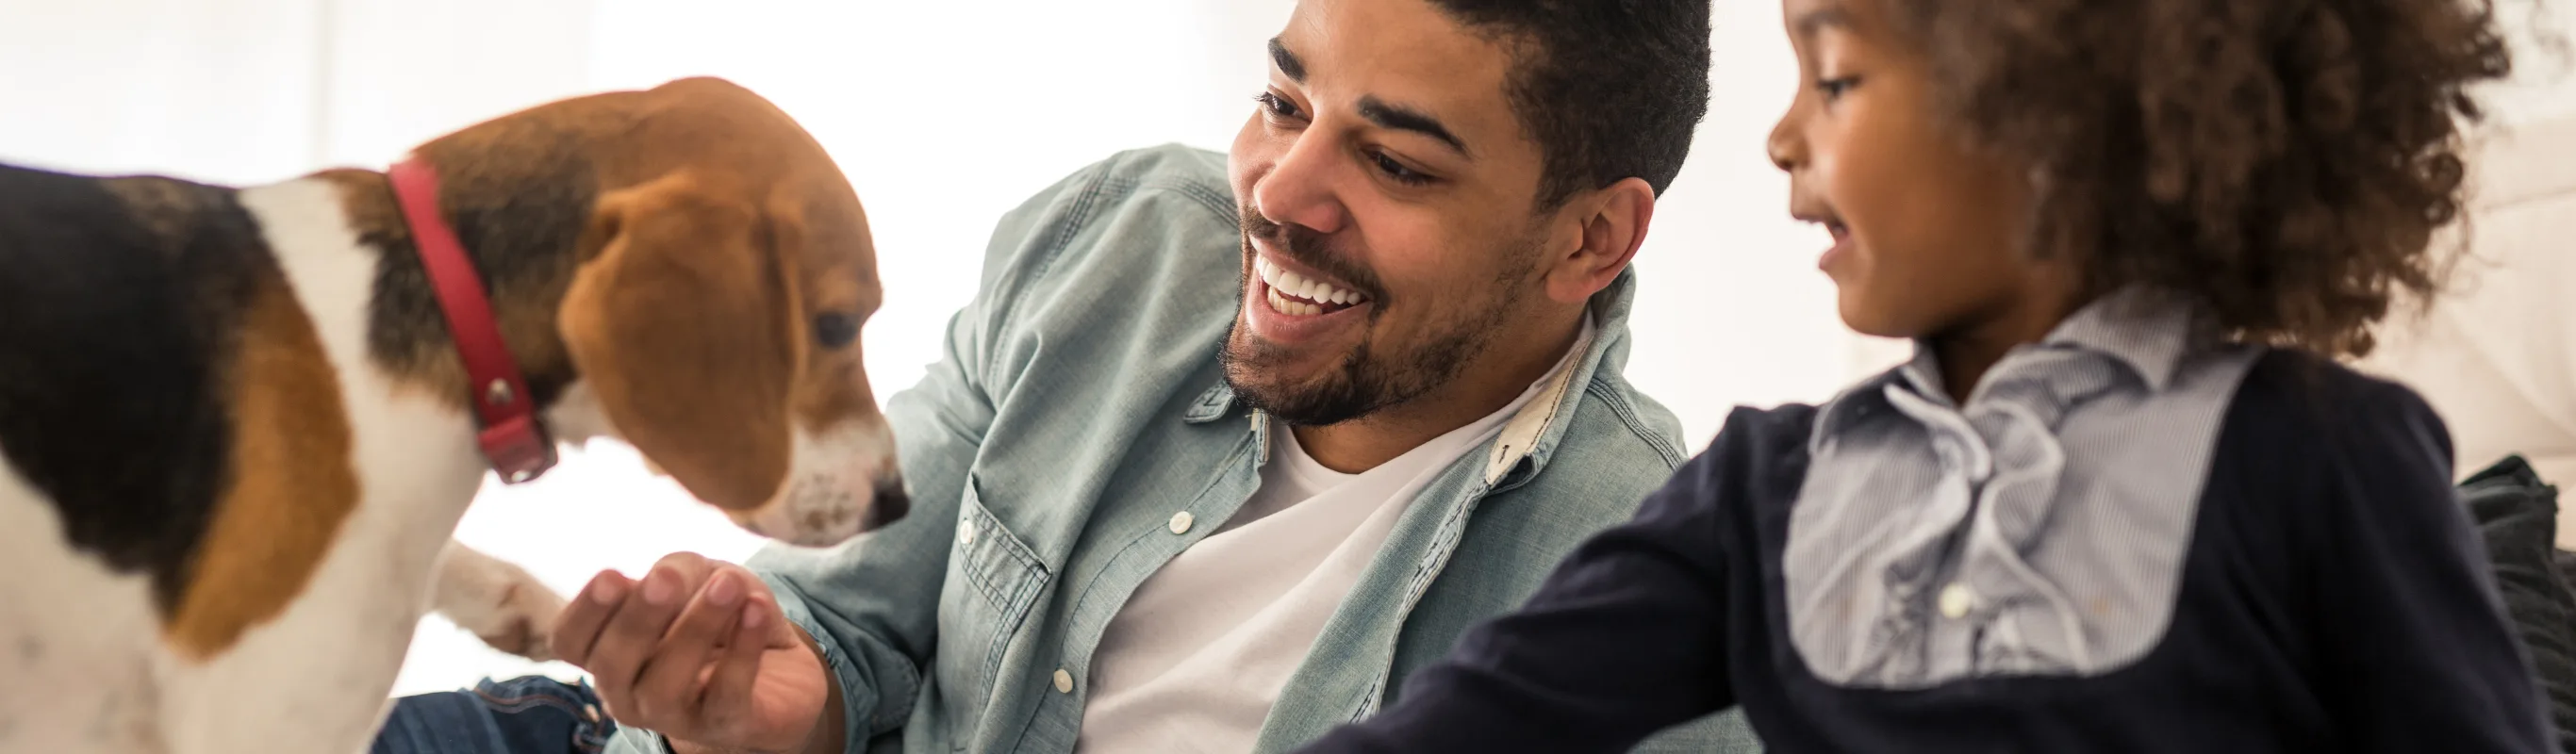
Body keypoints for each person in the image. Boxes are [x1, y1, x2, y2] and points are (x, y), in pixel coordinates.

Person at [374, 0, 1759, 752]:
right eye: (1284, 101)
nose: (1280, 192)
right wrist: (780, 711)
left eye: (1394, 164)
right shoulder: (1126, 247)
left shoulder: (1651, 596)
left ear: (1590, 237)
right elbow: (852, 629)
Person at [1289, 0, 2554, 750]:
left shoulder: (2319, 458)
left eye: (1835, 78)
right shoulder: (1765, 496)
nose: (1781, 137)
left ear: (2056, 117)